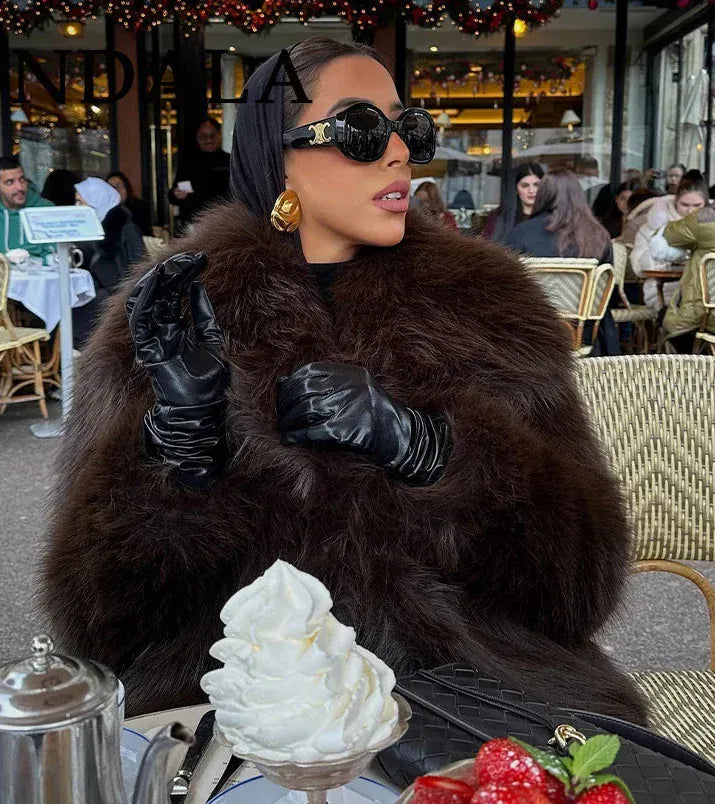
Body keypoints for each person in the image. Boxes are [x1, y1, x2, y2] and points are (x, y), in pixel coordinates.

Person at [41, 38, 646, 726]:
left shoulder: (489, 305)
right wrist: (177, 456)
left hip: (476, 689)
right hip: (235, 703)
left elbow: (577, 591)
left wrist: (435, 450)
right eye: (361, 129)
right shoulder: (165, 316)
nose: (398, 153)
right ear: (278, 152)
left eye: (407, 129)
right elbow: (98, 628)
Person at [505, 169, 617, 355]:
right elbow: (607, 296)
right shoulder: (599, 235)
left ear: (543, 195)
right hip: (587, 337)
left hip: (533, 336)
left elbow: (508, 288)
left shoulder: (521, 233)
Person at [72, 177, 144, 347]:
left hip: (119, 293)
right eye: (75, 201)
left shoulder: (125, 228)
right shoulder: (89, 227)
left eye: (81, 202)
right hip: (99, 289)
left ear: (97, 202)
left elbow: (136, 267)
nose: (77, 208)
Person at [630, 176, 709, 311]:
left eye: (697, 206)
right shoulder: (654, 226)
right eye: (685, 205)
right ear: (675, 202)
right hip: (665, 290)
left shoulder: (710, 227)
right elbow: (638, 266)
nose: (690, 211)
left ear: (706, 205)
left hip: (707, 291)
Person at [659, 205, 715, 351]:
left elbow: (667, 234)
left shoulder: (705, 219)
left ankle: (695, 366)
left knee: (665, 318)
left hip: (707, 316)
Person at [169, 118, 231, 231]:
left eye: (212, 135)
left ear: (219, 135)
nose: (208, 140)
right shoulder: (188, 164)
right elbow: (172, 197)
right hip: (194, 226)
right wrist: (177, 194)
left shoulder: (231, 161)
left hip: (225, 224)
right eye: (203, 136)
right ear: (197, 138)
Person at [0, 155, 53, 260]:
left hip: (41, 274)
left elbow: (56, 254)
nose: (19, 187)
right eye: (10, 182)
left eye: (22, 179)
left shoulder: (46, 209)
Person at [479, 161, 544, 242]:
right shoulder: (500, 217)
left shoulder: (551, 217)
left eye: (536, 185)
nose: (531, 190)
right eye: (525, 186)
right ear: (516, 189)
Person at [107, 170, 153, 236]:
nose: (115, 190)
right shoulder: (105, 209)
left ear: (126, 188)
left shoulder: (140, 206)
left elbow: (145, 232)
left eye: (118, 186)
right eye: (111, 187)